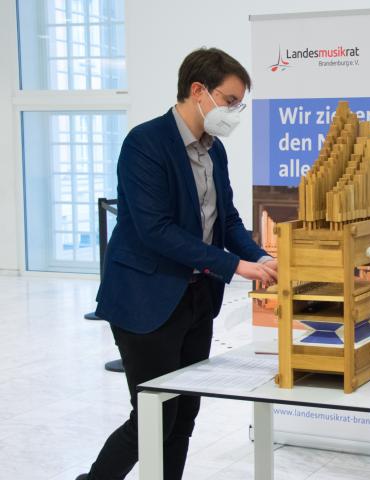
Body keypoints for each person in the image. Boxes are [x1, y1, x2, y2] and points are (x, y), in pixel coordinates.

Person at [76, 48, 277, 480]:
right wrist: (233, 266)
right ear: (198, 90)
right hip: (145, 301)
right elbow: (157, 231)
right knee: (151, 416)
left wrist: (258, 255)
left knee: (184, 412)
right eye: (229, 101)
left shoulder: (213, 150)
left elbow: (226, 220)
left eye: (239, 104)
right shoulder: (145, 144)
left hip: (196, 299)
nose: (234, 112)